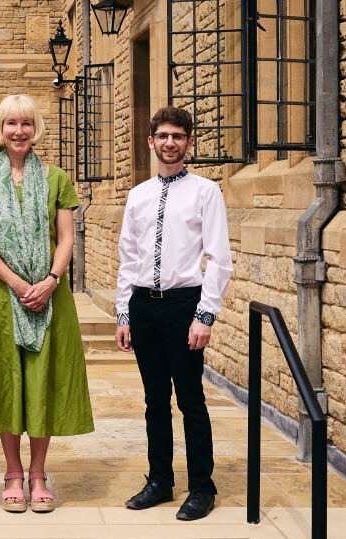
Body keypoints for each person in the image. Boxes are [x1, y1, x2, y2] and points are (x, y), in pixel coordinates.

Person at [0, 94, 94, 513]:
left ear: (36, 129)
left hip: (50, 294)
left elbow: (67, 237)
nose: (19, 131)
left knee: (42, 377)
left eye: (27, 124)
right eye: (12, 123)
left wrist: (51, 280)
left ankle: (38, 472)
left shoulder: (56, 179)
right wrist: (19, 283)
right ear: (1, 128)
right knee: (5, 376)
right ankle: (12, 472)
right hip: (0, 294)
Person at [114, 106, 233, 521]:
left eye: (177, 136)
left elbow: (219, 258)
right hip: (144, 306)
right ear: (151, 141)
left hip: (185, 305)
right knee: (154, 400)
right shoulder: (138, 195)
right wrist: (123, 314)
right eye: (162, 135)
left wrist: (206, 315)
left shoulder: (206, 192)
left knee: (191, 399)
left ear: (189, 143)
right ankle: (160, 481)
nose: (169, 143)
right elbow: (128, 258)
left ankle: (202, 486)